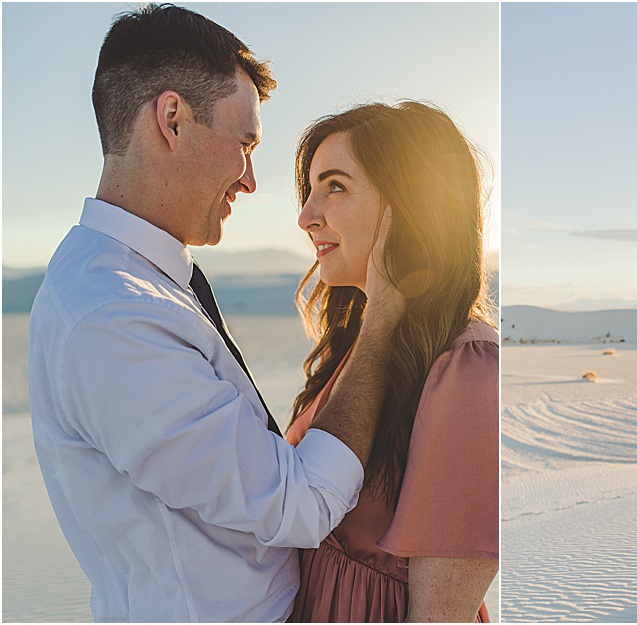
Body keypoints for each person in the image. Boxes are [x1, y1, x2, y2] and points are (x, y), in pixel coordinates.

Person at [28, 5, 400, 621]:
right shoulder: (112, 315)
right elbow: (298, 504)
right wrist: (385, 318)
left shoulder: (147, 284)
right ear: (172, 119)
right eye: (245, 143)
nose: (250, 180)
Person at [283, 102, 500, 623]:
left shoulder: (467, 369)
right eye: (310, 189)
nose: (306, 215)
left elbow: (439, 616)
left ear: (409, 205)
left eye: (335, 187)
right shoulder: (363, 348)